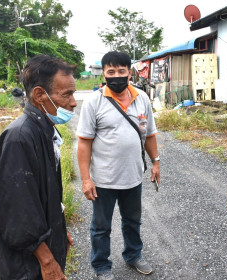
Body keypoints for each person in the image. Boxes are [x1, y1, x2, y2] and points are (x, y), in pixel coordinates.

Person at [0, 54, 77, 279]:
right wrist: (47, 260)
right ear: (39, 95)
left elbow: (44, 195)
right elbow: (16, 212)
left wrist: (58, 228)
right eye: (67, 94)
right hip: (27, 264)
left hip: (40, 251)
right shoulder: (20, 138)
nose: (73, 102)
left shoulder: (43, 129)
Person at [76, 51, 161, 280]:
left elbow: (149, 134)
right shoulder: (94, 102)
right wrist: (86, 179)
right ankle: (101, 266)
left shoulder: (142, 98)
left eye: (121, 71)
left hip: (133, 177)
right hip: (103, 180)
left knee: (132, 221)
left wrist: (155, 162)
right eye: (111, 71)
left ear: (129, 73)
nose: (116, 76)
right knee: (101, 227)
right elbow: (84, 144)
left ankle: (133, 255)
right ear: (103, 73)